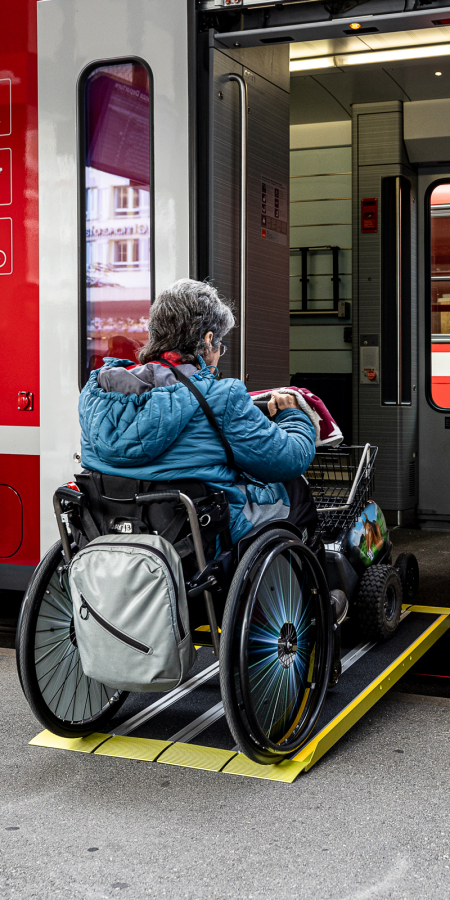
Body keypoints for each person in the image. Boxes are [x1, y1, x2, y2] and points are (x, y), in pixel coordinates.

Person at [79, 278, 319, 548]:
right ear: (207, 341)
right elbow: (288, 459)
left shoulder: (99, 391)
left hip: (113, 532)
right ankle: (308, 589)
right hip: (200, 541)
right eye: (220, 346)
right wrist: (292, 416)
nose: (219, 354)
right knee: (294, 490)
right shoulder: (220, 397)